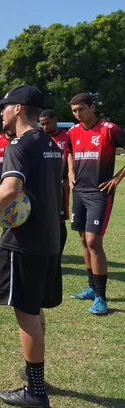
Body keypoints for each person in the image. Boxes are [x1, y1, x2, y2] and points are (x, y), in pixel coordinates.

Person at [0, 85, 63, 408]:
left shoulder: (18, 144)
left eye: (5, 106)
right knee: (36, 308)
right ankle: (38, 375)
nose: (1, 112)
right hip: (50, 237)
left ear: (18, 109)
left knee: (26, 313)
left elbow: (10, 189)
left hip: (24, 243)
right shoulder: (51, 143)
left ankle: (35, 391)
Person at [66, 93, 125, 315]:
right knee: (83, 239)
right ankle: (91, 288)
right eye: (74, 111)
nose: (78, 114)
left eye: (81, 109)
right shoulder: (73, 131)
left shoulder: (109, 129)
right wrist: (71, 171)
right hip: (79, 191)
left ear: (92, 107)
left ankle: (101, 297)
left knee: (93, 241)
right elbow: (70, 152)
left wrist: (117, 178)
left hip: (100, 193)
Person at [39, 109, 70, 255]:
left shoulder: (67, 137)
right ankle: (44, 249)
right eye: (42, 124)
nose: (45, 127)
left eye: (47, 123)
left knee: (60, 221)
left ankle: (58, 253)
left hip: (60, 187)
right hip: (42, 186)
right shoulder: (40, 138)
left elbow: (74, 159)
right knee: (42, 219)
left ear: (55, 119)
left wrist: (68, 178)